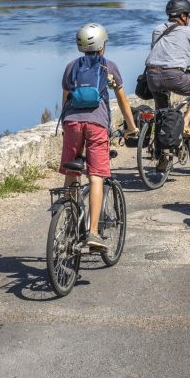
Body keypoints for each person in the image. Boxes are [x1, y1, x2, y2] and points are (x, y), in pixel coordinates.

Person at [59, 23, 139, 250]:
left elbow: (65, 101)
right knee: (96, 175)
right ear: (102, 45)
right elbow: (123, 101)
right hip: (97, 125)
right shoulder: (109, 67)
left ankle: (69, 215)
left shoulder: (71, 67)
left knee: (72, 169)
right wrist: (131, 127)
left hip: (72, 123)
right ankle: (93, 233)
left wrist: (68, 128)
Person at [144, 0, 190, 139]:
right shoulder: (188, 31)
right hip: (173, 76)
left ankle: (162, 153)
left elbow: (159, 53)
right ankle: (184, 123)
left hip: (151, 75)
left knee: (162, 113)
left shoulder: (157, 30)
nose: (189, 18)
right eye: (188, 15)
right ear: (183, 16)